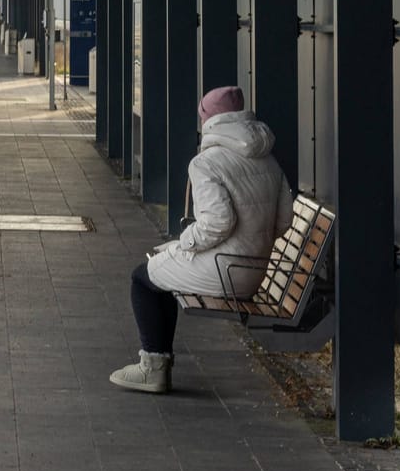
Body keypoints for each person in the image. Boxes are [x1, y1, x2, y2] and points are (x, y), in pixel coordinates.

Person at [110, 85, 294, 395]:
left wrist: (185, 243)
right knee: (162, 274)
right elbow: (284, 222)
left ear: (207, 120)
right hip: (256, 271)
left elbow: (217, 222)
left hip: (224, 271)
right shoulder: (268, 159)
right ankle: (157, 365)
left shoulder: (206, 162)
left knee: (143, 277)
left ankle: (153, 368)